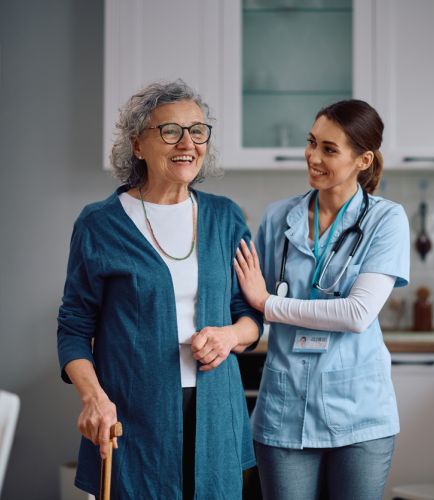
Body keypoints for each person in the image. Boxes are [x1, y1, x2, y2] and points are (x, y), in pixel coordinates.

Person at [57, 79, 262, 499]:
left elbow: (250, 316)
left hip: (215, 417)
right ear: (137, 145)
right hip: (134, 416)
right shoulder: (99, 224)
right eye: (170, 131)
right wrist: (93, 398)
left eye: (198, 130)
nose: (187, 142)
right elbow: (74, 329)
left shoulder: (225, 219)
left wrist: (229, 335)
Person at [234, 99, 410, 500]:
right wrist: (235, 328)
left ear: (363, 160)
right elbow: (249, 303)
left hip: (359, 414)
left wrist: (269, 304)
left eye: (329, 149)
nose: (313, 157)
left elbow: (357, 313)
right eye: (312, 143)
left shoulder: (386, 220)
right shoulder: (278, 217)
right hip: (284, 411)